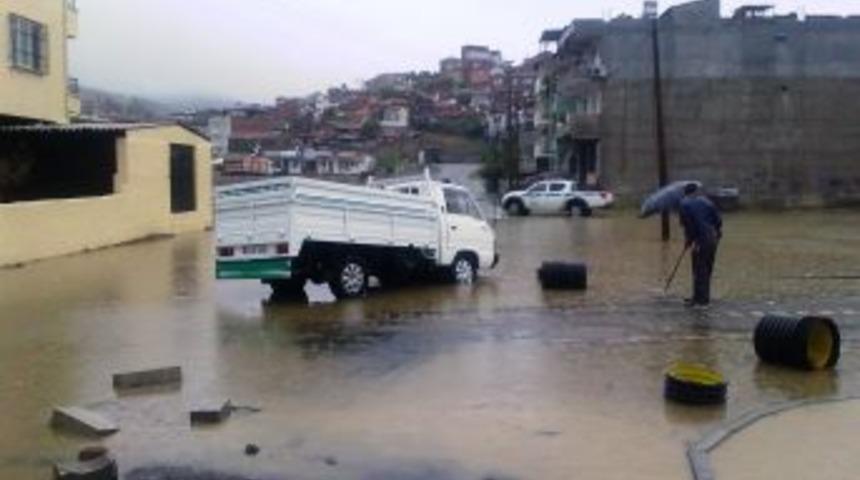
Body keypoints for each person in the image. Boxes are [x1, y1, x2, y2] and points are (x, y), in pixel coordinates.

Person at [679, 183, 722, 307]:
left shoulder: (684, 204)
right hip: (713, 239)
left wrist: (689, 241)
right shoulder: (708, 202)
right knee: (707, 268)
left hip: (700, 240)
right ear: (696, 192)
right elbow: (718, 221)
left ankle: (701, 300)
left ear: (685, 193)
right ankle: (700, 297)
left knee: (699, 269)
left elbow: (689, 226)